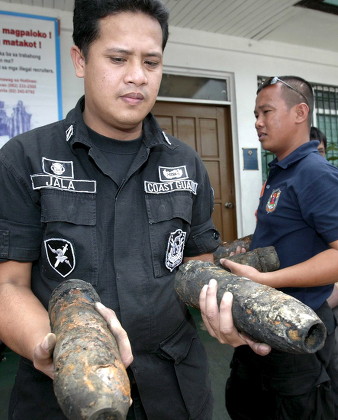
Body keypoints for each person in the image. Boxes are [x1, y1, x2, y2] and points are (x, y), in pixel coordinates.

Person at [0, 1, 269, 419]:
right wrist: (57, 348)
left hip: (175, 389)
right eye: (118, 58)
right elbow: (9, 285)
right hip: (63, 395)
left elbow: (197, 267)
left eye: (151, 61)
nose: (137, 76)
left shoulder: (186, 164)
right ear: (80, 59)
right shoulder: (25, 160)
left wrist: (229, 312)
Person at [202, 76, 338, 420]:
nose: (258, 122)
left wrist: (268, 280)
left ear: (300, 113)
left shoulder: (315, 173)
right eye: (255, 114)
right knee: (247, 404)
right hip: (262, 322)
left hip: (298, 327)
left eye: (266, 112)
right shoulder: (282, 173)